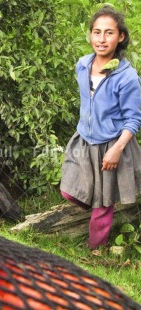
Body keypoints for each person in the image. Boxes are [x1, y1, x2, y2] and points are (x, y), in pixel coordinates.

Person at [60, 5, 141, 249]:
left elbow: (133, 119)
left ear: (121, 36)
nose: (102, 39)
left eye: (109, 33)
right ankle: (94, 198)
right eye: (97, 32)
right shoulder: (82, 65)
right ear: (91, 35)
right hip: (84, 139)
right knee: (69, 190)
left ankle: (95, 253)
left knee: (103, 205)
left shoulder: (127, 77)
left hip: (112, 144)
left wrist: (117, 149)